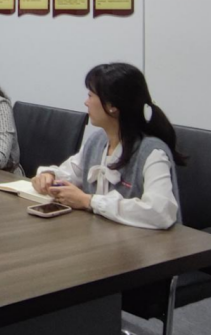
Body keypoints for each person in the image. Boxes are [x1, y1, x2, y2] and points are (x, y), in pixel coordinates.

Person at [31, 63, 184, 230]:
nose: (86, 102)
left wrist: (89, 201)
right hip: (104, 235)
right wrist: (49, 176)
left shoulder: (152, 153)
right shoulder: (97, 141)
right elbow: (72, 172)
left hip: (146, 243)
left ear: (112, 106)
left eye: (90, 96)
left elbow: (159, 212)